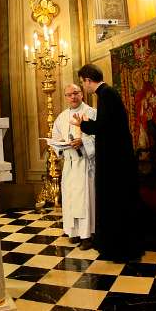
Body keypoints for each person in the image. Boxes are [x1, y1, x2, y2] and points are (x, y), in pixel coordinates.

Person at [72, 63, 144, 261]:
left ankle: (118, 247)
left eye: (82, 82)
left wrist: (82, 124)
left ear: (88, 80)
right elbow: (108, 126)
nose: (83, 87)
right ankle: (114, 243)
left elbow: (104, 127)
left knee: (114, 201)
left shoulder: (106, 94)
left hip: (115, 161)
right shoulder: (106, 94)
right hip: (116, 157)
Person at [52, 83, 96, 250]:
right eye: (69, 94)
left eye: (76, 93)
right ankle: (74, 232)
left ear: (82, 94)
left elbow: (99, 136)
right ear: (65, 97)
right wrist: (60, 145)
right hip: (69, 164)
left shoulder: (91, 113)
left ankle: (87, 235)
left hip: (85, 164)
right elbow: (55, 137)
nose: (73, 97)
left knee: (84, 200)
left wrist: (82, 141)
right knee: (70, 200)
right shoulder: (62, 117)